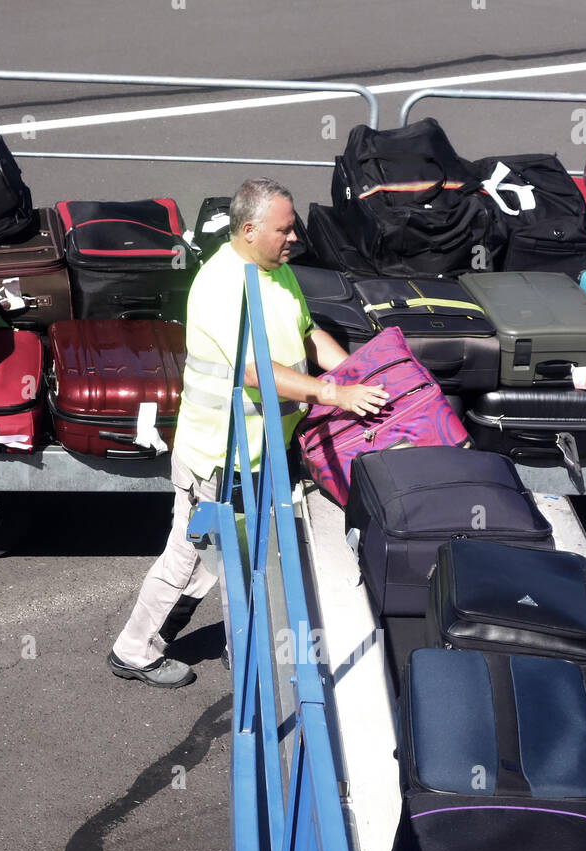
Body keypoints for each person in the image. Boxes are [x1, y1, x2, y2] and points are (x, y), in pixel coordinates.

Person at [108, 178, 388, 688]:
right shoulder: (221, 286)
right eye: (284, 231)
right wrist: (333, 396)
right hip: (218, 458)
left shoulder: (275, 272)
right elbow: (256, 369)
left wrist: (355, 374)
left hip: (259, 454)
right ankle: (134, 650)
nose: (294, 239)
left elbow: (308, 332)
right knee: (194, 559)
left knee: (240, 556)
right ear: (250, 229)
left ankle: (241, 644)